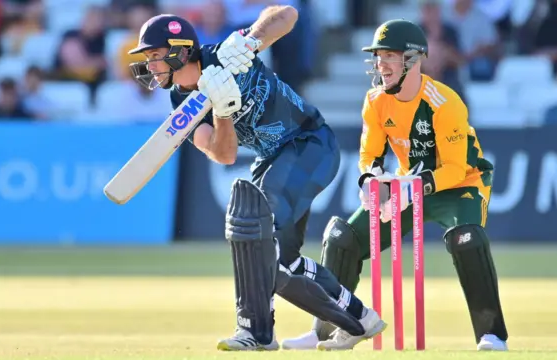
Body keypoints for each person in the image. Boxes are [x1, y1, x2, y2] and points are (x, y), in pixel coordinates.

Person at [126, 8, 386, 351]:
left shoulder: (223, 54)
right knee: (283, 260)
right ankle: (361, 318)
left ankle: (255, 332)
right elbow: (224, 155)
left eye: (156, 56)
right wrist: (222, 112)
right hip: (271, 159)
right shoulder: (181, 105)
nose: (151, 66)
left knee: (257, 235)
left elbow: (288, 14)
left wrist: (250, 42)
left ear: (181, 50)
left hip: (309, 142)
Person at [283, 19, 510, 351]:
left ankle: (492, 334)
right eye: (378, 56)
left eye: (390, 55)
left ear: (413, 60)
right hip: (409, 187)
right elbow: (369, 155)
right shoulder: (376, 101)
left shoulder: (444, 102)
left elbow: (454, 167)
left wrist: (408, 186)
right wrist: (371, 180)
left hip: (462, 185)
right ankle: (327, 331)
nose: (381, 64)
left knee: (467, 238)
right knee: (342, 237)